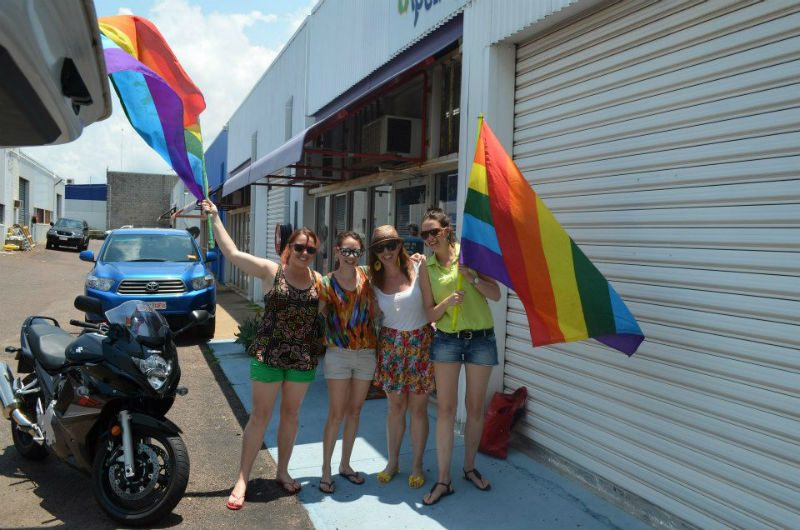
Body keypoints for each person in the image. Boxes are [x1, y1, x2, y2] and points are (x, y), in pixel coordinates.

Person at [199, 199, 324, 510]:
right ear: (289, 247)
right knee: (260, 417)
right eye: (299, 247)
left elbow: (338, 301)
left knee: (291, 417)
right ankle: (242, 478)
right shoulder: (272, 271)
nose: (304, 254)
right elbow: (233, 254)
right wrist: (215, 218)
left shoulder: (319, 281)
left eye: (310, 249)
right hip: (269, 356)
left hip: (302, 360)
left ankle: (282, 471)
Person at [417, 207, 501, 506]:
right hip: (447, 341)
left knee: (475, 407)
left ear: (447, 230)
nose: (429, 238)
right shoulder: (426, 268)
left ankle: (469, 468)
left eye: (434, 232)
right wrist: (448, 303)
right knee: (446, 410)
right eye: (424, 234)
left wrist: (472, 278)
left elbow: (496, 294)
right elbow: (429, 312)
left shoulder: (471, 255)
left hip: (480, 339)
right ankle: (444, 479)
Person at [369, 225, 434, 490]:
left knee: (418, 408)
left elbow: (430, 307)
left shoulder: (419, 268)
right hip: (391, 345)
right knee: (395, 407)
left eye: (391, 245)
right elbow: (371, 314)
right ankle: (393, 462)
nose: (387, 251)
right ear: (374, 252)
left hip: (420, 342)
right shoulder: (372, 280)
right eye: (380, 247)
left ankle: (417, 464)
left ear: (400, 245)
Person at [317, 231, 379, 494]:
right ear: (336, 251)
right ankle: (326, 470)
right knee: (336, 413)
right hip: (338, 354)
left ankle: (345, 465)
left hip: (366, 354)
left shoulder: (368, 277)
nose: (351, 256)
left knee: (355, 412)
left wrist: (417, 258)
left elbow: (395, 265)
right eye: (347, 250)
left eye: (356, 251)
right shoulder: (326, 283)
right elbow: (315, 314)